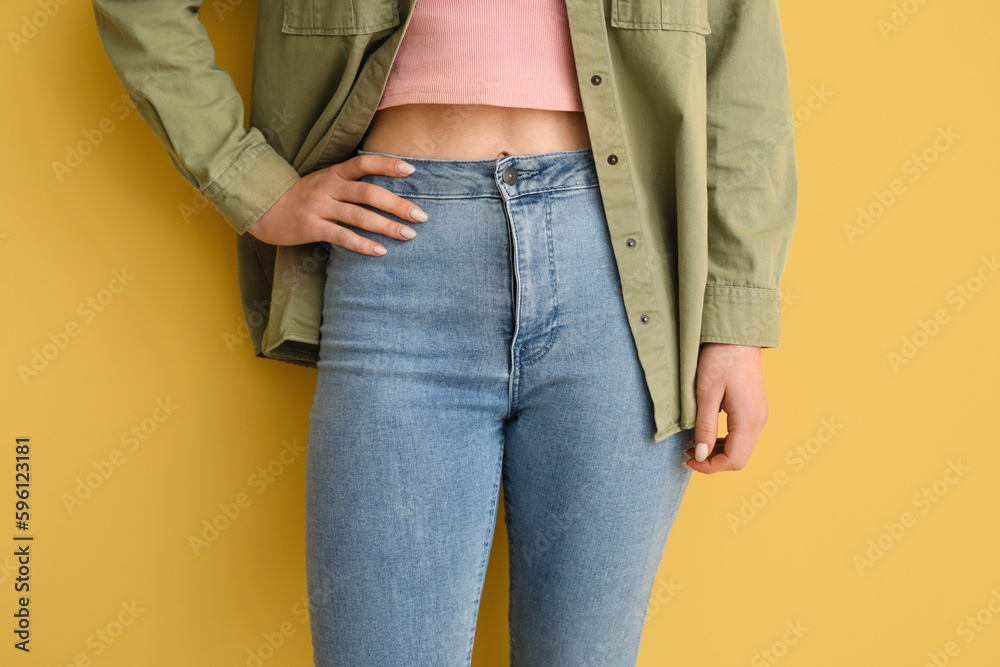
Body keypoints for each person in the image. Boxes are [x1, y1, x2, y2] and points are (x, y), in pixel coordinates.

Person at [92, 0, 797, 664]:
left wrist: (734, 323)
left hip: (622, 271)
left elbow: (741, 66)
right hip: (397, 253)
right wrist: (254, 185)